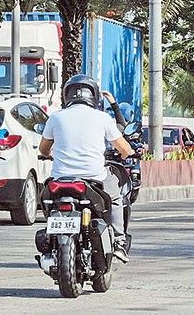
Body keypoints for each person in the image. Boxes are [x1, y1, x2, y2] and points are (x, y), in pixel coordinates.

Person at [39, 75, 137, 263]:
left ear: (67, 95)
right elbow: (124, 149)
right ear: (94, 95)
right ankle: (119, 241)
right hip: (95, 178)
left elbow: (43, 149)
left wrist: (49, 154)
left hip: (61, 179)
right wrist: (129, 153)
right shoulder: (102, 118)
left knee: (47, 200)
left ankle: (51, 234)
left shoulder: (55, 118)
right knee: (116, 197)